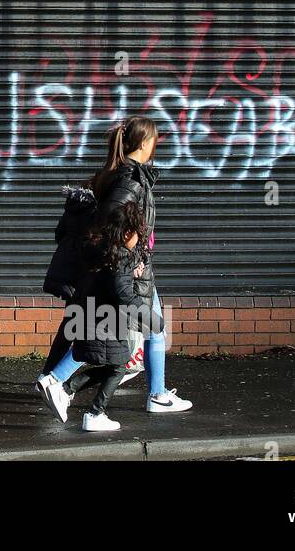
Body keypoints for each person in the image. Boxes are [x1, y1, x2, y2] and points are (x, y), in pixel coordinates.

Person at [36, 115, 193, 422]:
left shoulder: (127, 175)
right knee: (124, 332)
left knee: (123, 331)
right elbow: (108, 222)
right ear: (146, 143)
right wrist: (126, 257)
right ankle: (60, 382)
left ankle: (152, 392)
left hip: (130, 266)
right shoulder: (131, 180)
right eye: (155, 141)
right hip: (128, 269)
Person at [62, 200, 156, 431]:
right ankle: (94, 412)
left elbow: (111, 280)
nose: (138, 240)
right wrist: (151, 318)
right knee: (119, 365)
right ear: (127, 233)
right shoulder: (121, 255)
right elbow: (122, 293)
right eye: (137, 233)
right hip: (106, 319)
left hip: (92, 314)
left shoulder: (103, 248)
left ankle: (68, 389)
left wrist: (130, 273)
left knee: (115, 365)